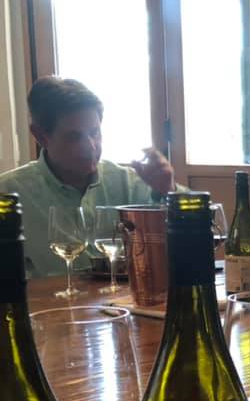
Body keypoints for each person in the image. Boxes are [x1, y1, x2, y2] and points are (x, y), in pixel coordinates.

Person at [0, 76, 180, 278]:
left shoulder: (127, 182)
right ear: (41, 136)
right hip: (49, 299)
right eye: (74, 137)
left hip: (125, 298)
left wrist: (168, 191)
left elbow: (197, 233)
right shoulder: (9, 193)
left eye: (95, 133)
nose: (90, 146)